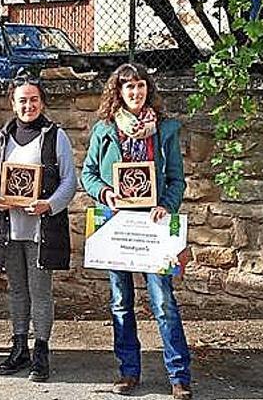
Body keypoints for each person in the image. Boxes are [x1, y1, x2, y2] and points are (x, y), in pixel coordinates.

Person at [81, 63, 192, 400]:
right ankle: (128, 371)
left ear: (148, 89)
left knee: (163, 302)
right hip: (116, 227)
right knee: (120, 302)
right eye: (128, 87)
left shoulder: (166, 130)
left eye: (140, 86)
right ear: (119, 91)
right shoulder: (105, 130)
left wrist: (167, 205)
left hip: (152, 227)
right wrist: (106, 194)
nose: (135, 92)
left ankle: (179, 376)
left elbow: (176, 178)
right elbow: (89, 175)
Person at [0, 71, 77, 382]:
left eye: (34, 100)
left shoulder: (55, 136)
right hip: (9, 229)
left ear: (42, 103)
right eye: (22, 100)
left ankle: (41, 352)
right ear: (13, 103)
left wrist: (49, 204)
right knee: (17, 290)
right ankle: (19, 346)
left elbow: (69, 182)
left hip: (40, 230)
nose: (28, 105)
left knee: (40, 292)